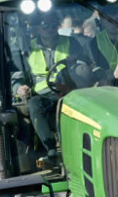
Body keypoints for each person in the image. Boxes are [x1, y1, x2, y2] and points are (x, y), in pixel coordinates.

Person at [16, 14, 75, 149]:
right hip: (43, 96)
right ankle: (51, 149)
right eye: (45, 26)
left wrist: (76, 64)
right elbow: (18, 76)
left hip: (68, 92)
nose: (50, 29)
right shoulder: (28, 50)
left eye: (53, 25)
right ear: (37, 28)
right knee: (34, 104)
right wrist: (19, 88)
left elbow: (85, 65)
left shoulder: (71, 43)